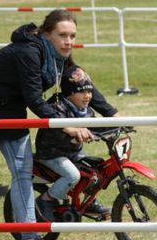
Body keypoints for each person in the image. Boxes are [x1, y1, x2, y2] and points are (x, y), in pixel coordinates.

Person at [0, 9, 118, 240]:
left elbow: (78, 79)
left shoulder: (58, 57)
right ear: (46, 34)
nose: (68, 41)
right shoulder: (30, 51)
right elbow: (35, 99)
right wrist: (65, 124)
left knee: (22, 176)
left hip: (11, 114)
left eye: (72, 35)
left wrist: (112, 113)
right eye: (62, 35)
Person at [35, 65, 111, 221]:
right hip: (51, 153)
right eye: (82, 91)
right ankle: (46, 200)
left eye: (89, 91)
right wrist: (74, 138)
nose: (87, 96)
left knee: (94, 172)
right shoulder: (57, 107)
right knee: (72, 175)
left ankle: (88, 201)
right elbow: (54, 133)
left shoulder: (86, 110)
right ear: (69, 93)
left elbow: (95, 126)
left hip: (73, 153)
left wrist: (117, 125)